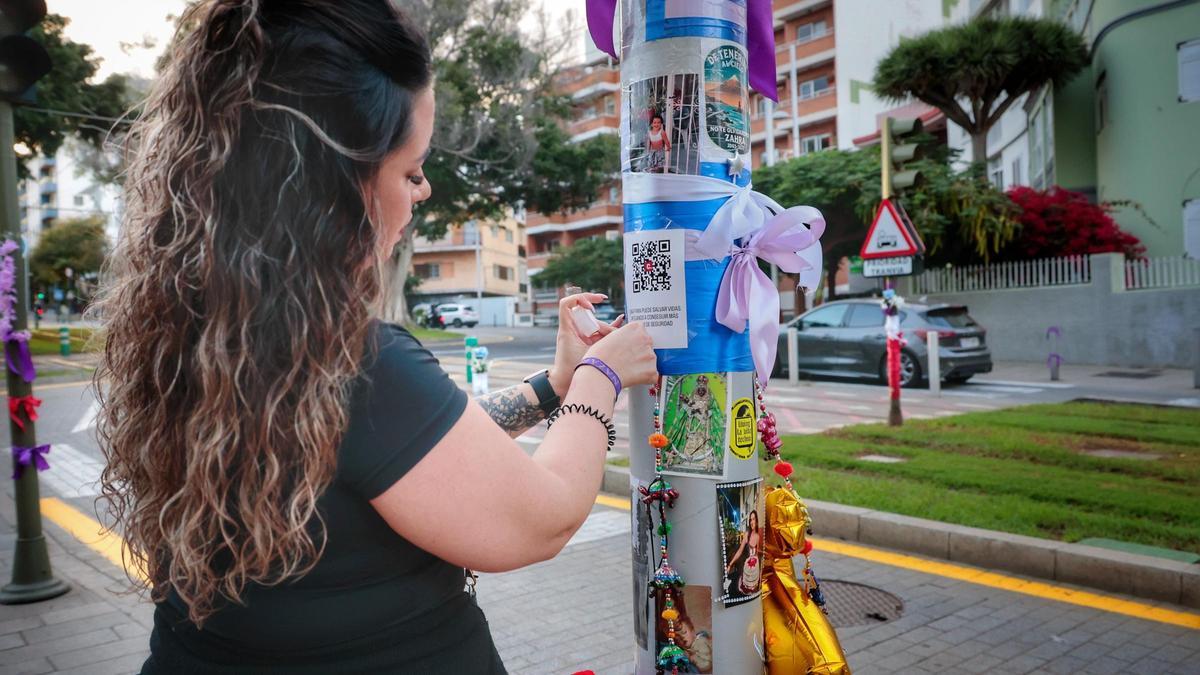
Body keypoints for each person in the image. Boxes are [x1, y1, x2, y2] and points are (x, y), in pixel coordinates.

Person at [93, 1, 657, 673]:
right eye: (411, 171)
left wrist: (554, 386)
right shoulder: (350, 358)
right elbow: (543, 518)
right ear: (335, 185)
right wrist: (602, 377)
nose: (421, 194)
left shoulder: (203, 329)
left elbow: (409, 453)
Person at [725, 509, 762, 596]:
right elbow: (739, 551)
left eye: (754, 519)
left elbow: (760, 555)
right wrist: (730, 564)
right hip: (747, 567)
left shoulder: (759, 536)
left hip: (756, 569)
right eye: (750, 519)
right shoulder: (747, 535)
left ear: (757, 521)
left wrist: (760, 572)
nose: (752, 522)